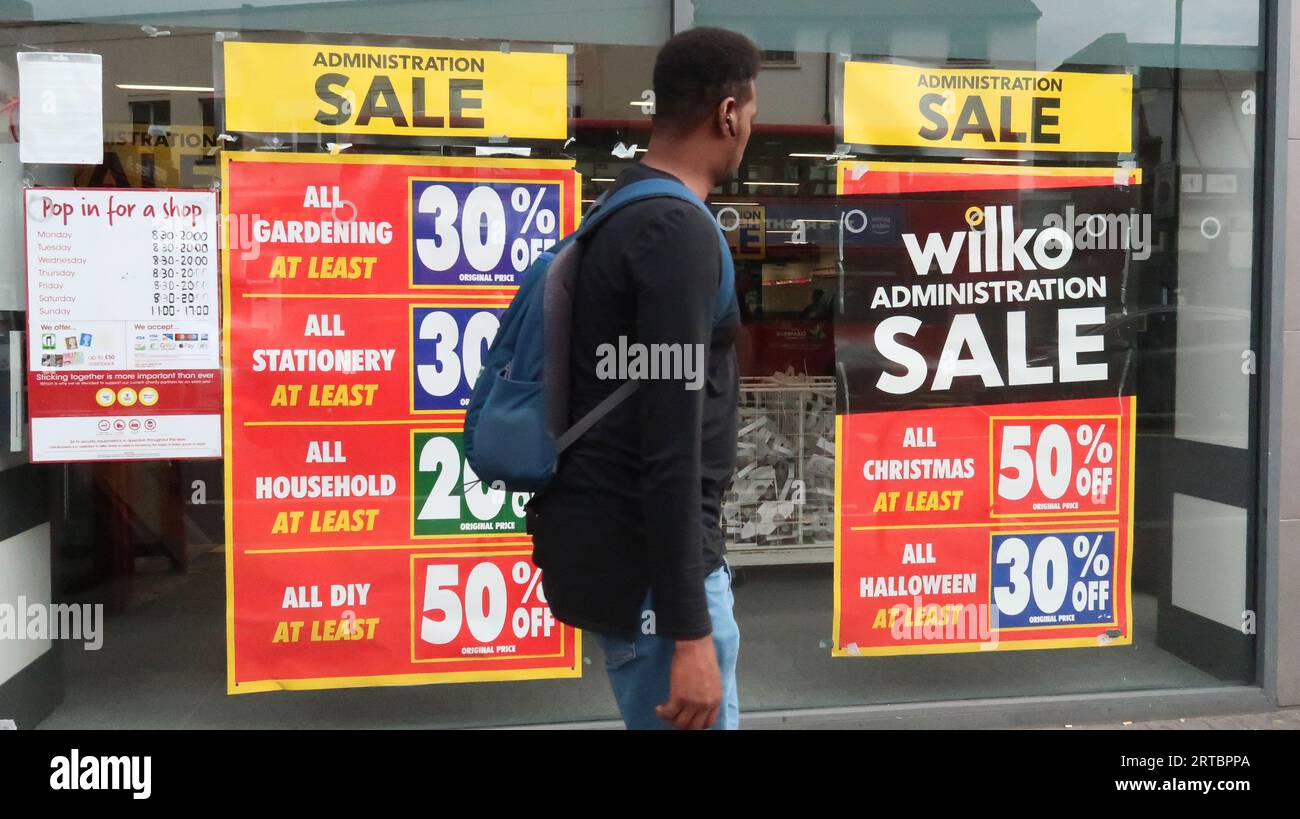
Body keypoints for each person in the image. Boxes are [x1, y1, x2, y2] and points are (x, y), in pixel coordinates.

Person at [527, 26, 760, 730]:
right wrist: (688, 631)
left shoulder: (623, 209)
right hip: (656, 588)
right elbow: (670, 447)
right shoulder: (676, 233)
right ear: (726, 113)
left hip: (630, 565)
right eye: (750, 113)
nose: (750, 128)